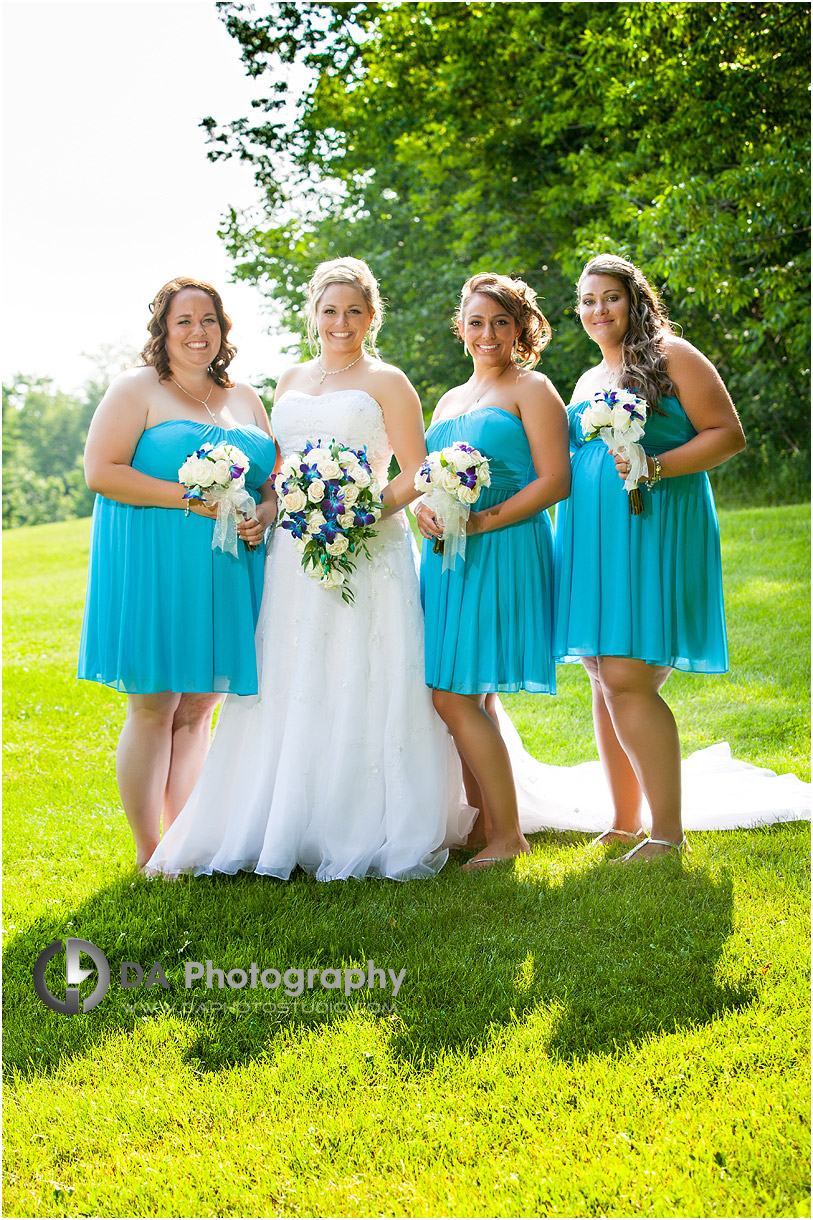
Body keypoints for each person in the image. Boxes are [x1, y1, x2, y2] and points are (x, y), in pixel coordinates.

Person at [146, 257, 474, 882]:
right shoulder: (289, 380)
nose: (341, 322)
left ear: (371, 316)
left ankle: (364, 820)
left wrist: (355, 510)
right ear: (313, 315)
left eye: (354, 310)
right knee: (293, 676)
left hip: (369, 547)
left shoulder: (389, 381)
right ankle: (283, 816)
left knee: (365, 673)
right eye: (330, 310)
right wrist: (284, 509)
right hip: (294, 555)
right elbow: (277, 470)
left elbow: (416, 471)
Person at [78, 277, 277, 869]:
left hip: (228, 566)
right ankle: (148, 851)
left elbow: (270, 485)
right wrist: (187, 499)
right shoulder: (136, 388)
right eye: (184, 321)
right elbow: (101, 471)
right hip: (156, 562)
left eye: (209, 320)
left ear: (224, 329)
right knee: (156, 703)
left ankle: (183, 841)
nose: (198, 332)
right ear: (163, 329)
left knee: (199, 706)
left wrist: (264, 515)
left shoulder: (244, 397)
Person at [553, 252, 746, 862]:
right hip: (596, 538)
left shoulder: (673, 356)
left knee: (627, 675)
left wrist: (657, 465)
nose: (597, 309)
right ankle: (624, 819)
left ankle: (667, 832)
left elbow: (727, 434)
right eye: (586, 300)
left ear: (634, 299)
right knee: (600, 672)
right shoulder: (587, 381)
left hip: (656, 528)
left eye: (608, 296)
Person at [415, 273, 571, 870]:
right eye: (477, 322)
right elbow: (433, 475)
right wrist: (430, 511)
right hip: (448, 556)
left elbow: (554, 480)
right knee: (466, 691)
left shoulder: (533, 389)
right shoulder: (451, 399)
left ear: (521, 328)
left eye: (501, 322)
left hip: (503, 545)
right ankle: (484, 826)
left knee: (452, 696)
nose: (488, 334)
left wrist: (484, 522)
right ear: (461, 327)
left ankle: (509, 836)